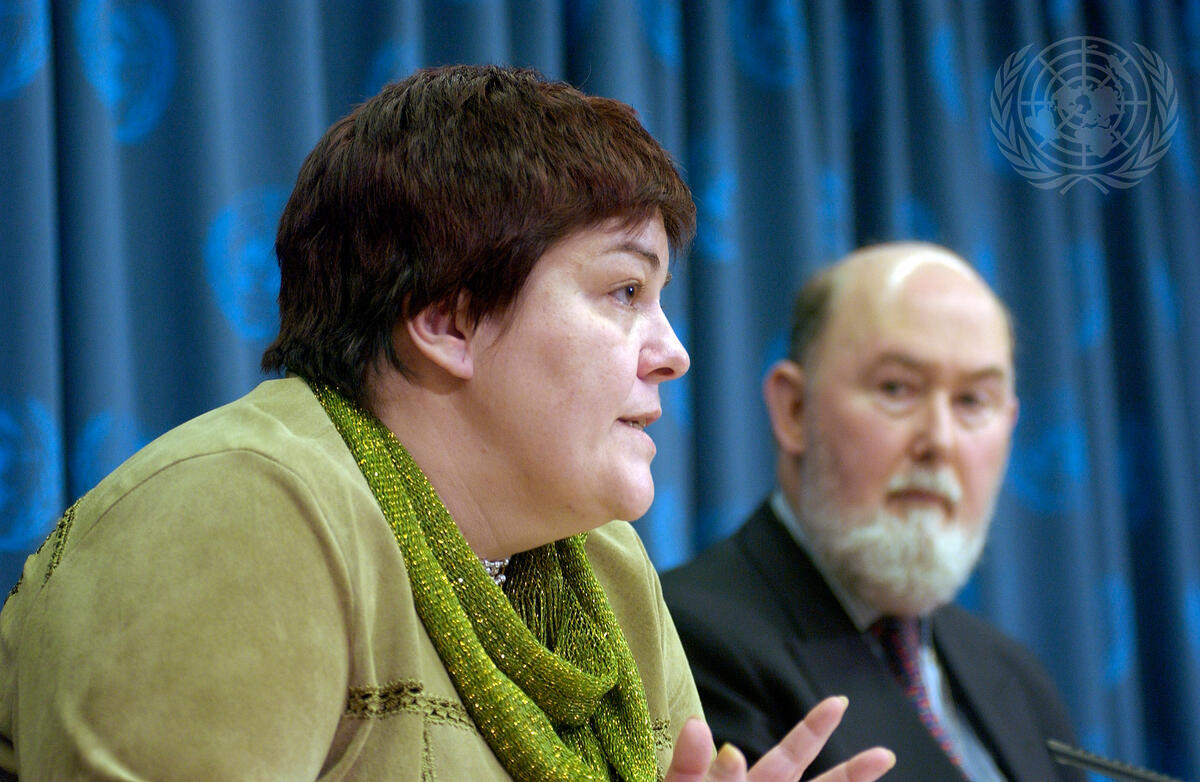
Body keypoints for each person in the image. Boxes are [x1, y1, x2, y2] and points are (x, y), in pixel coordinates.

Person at [0, 66, 894, 782]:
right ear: (448, 320)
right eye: (625, 290)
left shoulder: (606, 568)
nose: (673, 353)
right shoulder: (236, 509)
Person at [661, 243, 1087, 781]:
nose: (940, 441)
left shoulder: (1017, 675)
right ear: (794, 410)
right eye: (896, 388)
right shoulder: (684, 639)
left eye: (972, 401)